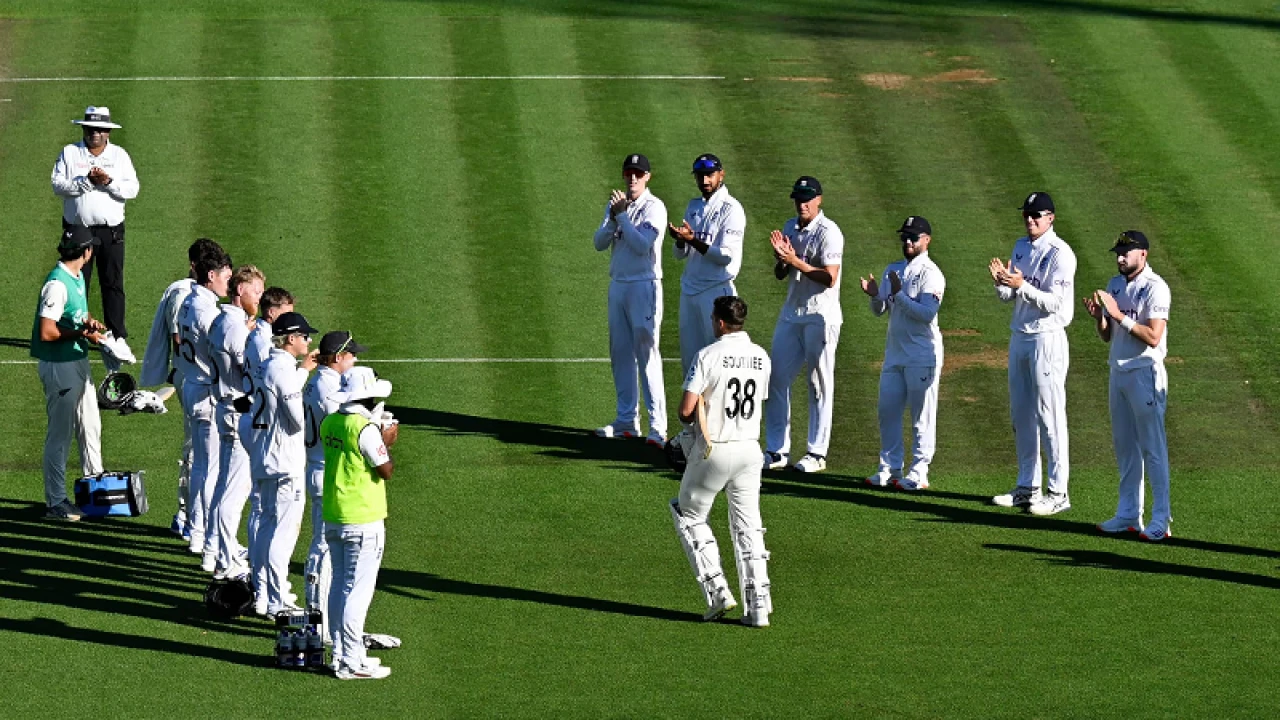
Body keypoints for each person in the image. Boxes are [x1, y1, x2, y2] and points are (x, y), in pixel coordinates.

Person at [668, 296, 773, 628]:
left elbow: (686, 411)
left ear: (720, 322)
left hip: (715, 449)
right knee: (748, 528)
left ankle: (718, 592)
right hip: (750, 450)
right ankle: (758, 608)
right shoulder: (760, 356)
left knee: (688, 514)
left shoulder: (708, 355)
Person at [989, 192, 1077, 516]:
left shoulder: (1061, 254)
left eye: (1036, 215)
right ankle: (1027, 487)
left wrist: (1021, 284)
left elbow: (1057, 304)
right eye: (1027, 214)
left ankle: (1058, 492)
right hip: (1020, 337)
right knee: (1021, 415)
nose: (1030, 220)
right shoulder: (1020, 246)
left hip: (1048, 339)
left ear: (1050, 217)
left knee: (1050, 416)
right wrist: (1002, 283)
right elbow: (1008, 295)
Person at [1083, 231, 1172, 542]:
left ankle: (1161, 518)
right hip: (1117, 372)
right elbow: (1109, 337)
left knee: (1153, 448)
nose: (1120, 257)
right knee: (1125, 447)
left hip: (1144, 374)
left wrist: (1118, 315)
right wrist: (1101, 319)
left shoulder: (1156, 288)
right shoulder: (1115, 285)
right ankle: (1128, 514)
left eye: (1126, 252)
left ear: (1143, 254)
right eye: (1118, 252)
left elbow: (1153, 336)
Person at [140, 238, 226, 538]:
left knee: (202, 453)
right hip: (192, 378)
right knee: (196, 452)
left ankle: (193, 515)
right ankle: (187, 515)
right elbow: (180, 340)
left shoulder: (192, 293)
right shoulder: (184, 296)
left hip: (192, 377)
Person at [762, 177, 844, 473]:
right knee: (775, 380)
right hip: (792, 314)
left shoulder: (829, 232)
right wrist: (782, 260)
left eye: (808, 198)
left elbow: (829, 277)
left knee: (818, 383)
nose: (802, 203)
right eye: (798, 198)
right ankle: (776, 450)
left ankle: (816, 453)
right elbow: (780, 274)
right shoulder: (789, 227)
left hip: (820, 316)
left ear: (819, 199)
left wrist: (794, 260)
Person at [322, 366, 396, 680]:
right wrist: (387, 439)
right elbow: (385, 470)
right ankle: (351, 660)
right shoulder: (363, 428)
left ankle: (343, 655)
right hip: (363, 518)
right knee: (358, 592)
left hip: (335, 514)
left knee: (340, 586)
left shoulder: (331, 422)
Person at [861, 216, 946, 491]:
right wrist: (875, 295)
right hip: (895, 354)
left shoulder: (931, 274)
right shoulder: (893, 269)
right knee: (888, 412)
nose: (907, 242)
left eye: (913, 237)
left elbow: (926, 313)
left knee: (921, 416)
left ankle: (919, 472)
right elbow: (879, 310)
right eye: (904, 237)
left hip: (922, 355)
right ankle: (890, 468)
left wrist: (897, 296)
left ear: (927, 240)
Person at [592, 153, 669, 445]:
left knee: (647, 353)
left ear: (647, 176)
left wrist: (622, 214)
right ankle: (627, 420)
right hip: (619, 285)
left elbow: (641, 245)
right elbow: (599, 243)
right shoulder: (616, 205)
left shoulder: (655, 208)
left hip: (644, 286)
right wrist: (613, 219)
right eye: (628, 173)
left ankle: (658, 427)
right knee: (620, 352)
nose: (632, 178)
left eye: (638, 173)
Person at [31, 227, 106, 520]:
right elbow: (47, 331)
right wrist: (80, 333)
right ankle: (56, 501)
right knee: (60, 435)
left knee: (90, 425)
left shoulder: (75, 278)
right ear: (86, 253)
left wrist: (90, 325)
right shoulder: (57, 284)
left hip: (76, 360)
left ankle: (95, 491)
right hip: (59, 366)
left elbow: (77, 314)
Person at [50, 106, 140, 340]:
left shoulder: (119, 156)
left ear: (108, 132)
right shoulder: (70, 153)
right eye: (90, 128)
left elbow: (132, 189)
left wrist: (108, 181)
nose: (95, 133)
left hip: (111, 232)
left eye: (100, 129)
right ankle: (72, 331)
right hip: (77, 232)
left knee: (112, 282)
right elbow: (58, 185)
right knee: (77, 284)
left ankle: (117, 335)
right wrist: (86, 182)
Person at [249, 311, 318, 616]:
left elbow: (284, 390)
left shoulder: (270, 362)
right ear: (291, 339)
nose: (308, 341)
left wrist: (303, 371)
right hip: (284, 461)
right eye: (305, 336)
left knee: (266, 527)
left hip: (264, 455)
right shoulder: (283, 369)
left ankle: (263, 592)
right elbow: (296, 417)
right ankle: (278, 600)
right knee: (284, 533)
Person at [205, 265, 265, 578]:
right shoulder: (234, 326)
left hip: (226, 404)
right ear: (240, 291)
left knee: (225, 485)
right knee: (235, 490)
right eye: (256, 292)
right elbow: (251, 368)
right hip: (236, 408)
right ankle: (226, 561)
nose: (260, 298)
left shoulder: (224, 319)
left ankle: (216, 548)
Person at [241, 286, 296, 610]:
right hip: (266, 428)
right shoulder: (266, 343)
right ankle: (270, 591)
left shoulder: (256, 336)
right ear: (273, 312)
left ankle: (263, 585)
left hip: (254, 419)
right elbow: (279, 389)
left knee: (262, 508)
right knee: (270, 515)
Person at [302, 331, 366, 609]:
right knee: (324, 547)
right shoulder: (329, 390)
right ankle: (318, 613)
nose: (354, 361)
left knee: (325, 545)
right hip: (325, 470)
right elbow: (336, 432)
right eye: (351, 355)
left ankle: (320, 612)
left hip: (319, 467)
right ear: (338, 357)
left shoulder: (318, 382)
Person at [175, 247, 233, 554]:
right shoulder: (207, 310)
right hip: (208, 392)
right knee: (211, 469)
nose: (230, 281)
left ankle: (197, 530)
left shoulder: (188, 301)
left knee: (200, 467)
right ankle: (208, 533)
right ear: (211, 276)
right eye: (225, 275)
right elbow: (220, 353)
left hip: (192, 387)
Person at [669, 153, 746, 376]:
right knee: (691, 365)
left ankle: (716, 412)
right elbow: (679, 255)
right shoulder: (693, 206)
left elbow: (725, 256)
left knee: (717, 363)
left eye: (709, 175)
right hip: (689, 291)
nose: (704, 181)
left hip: (715, 292)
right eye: (700, 176)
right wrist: (681, 241)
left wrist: (693, 240)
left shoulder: (731, 209)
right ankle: (695, 413)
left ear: (721, 174)